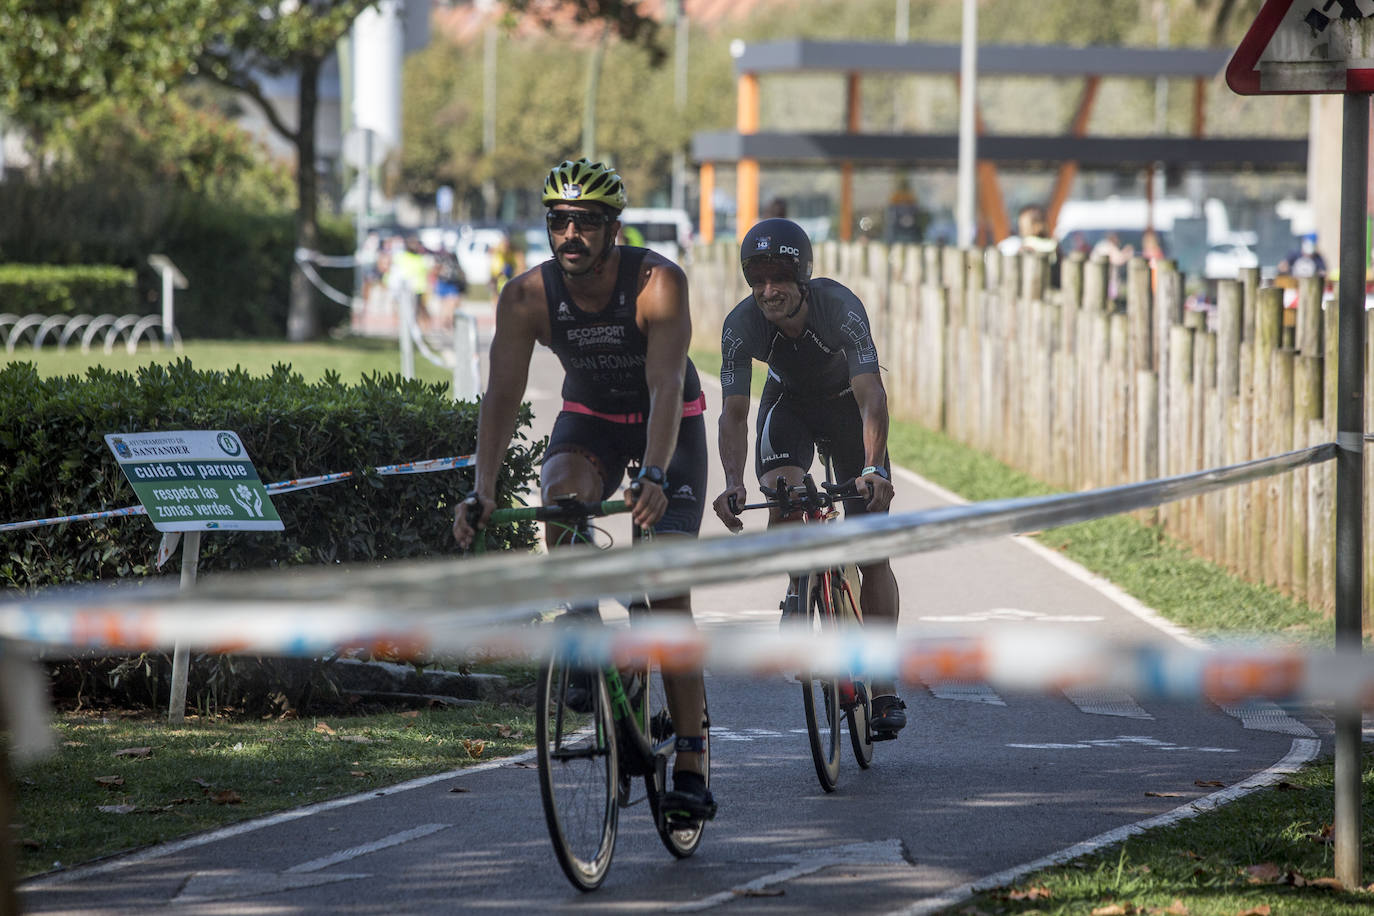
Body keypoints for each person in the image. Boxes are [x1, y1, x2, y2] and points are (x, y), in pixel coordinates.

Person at [451, 157, 715, 824]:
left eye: (586, 223)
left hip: (668, 427)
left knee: (665, 590)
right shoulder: (526, 298)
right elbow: (502, 398)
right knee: (561, 494)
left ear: (613, 229)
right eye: (558, 221)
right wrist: (481, 489)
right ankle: (589, 638)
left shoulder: (659, 283)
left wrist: (653, 475)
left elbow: (663, 386)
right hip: (593, 419)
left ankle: (691, 755)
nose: (570, 234)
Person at [710, 217, 907, 739]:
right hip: (790, 406)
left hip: (847, 410)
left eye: (779, 279)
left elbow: (872, 397)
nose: (768, 291)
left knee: (872, 549)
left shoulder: (839, 308)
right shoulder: (741, 325)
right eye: (758, 280)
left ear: (803, 279)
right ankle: (800, 589)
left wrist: (870, 467)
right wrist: (733, 482)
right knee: (784, 495)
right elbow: (733, 413)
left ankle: (883, 685)